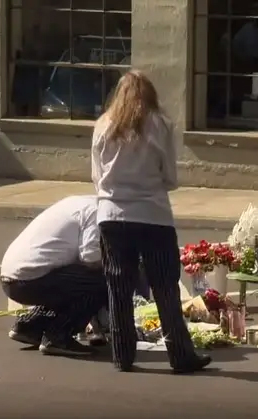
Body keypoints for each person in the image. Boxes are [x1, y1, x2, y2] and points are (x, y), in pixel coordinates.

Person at [91, 70, 211, 373]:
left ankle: (122, 354)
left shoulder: (103, 126)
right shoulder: (161, 126)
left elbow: (96, 177)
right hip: (153, 214)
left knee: (118, 286)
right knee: (165, 287)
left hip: (113, 214)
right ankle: (181, 355)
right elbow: (170, 177)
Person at [0, 195, 108, 356]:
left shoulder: (78, 202)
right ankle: (58, 334)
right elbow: (91, 258)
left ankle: (30, 325)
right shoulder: (97, 212)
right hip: (31, 279)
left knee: (72, 282)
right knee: (105, 280)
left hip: (12, 277)